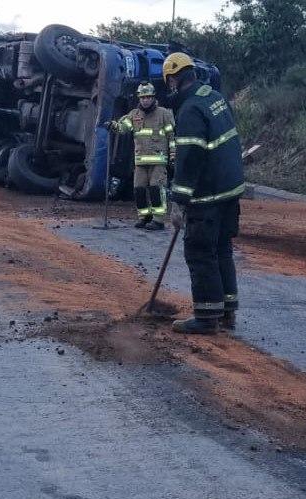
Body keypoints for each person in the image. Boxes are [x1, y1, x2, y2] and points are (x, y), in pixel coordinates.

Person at [163, 52, 245, 335]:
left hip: (208, 195)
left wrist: (179, 201)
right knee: (222, 249)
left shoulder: (189, 110)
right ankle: (227, 312)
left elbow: (189, 159)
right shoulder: (214, 97)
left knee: (200, 252)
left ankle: (207, 316)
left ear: (173, 81)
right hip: (230, 190)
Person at [109, 82, 175, 231]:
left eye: (148, 97)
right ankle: (144, 217)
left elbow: (172, 136)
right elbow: (123, 128)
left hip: (158, 161)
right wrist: (113, 126)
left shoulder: (164, 114)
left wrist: (173, 156)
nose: (146, 100)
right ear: (139, 98)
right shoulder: (134, 115)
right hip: (140, 162)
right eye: (143, 97)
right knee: (138, 190)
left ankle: (158, 220)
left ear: (153, 97)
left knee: (156, 189)